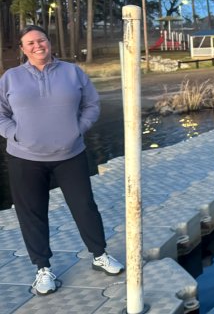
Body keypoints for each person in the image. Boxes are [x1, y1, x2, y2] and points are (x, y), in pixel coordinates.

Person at [0, 25, 124, 296]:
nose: (37, 45)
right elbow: (1, 113)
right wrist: (14, 134)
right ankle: (42, 268)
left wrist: (79, 128)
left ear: (49, 42)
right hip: (25, 158)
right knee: (32, 213)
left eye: (41, 40)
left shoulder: (72, 72)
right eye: (30, 42)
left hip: (70, 154)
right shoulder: (11, 78)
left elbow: (91, 104)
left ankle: (99, 254)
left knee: (84, 206)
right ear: (23, 49)